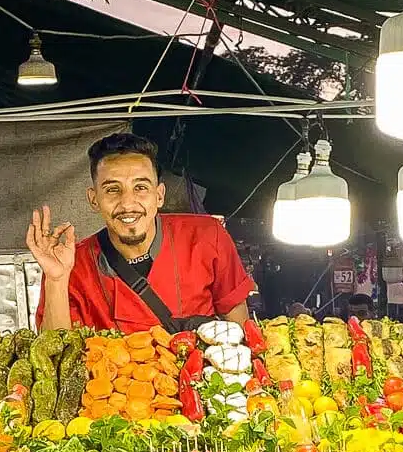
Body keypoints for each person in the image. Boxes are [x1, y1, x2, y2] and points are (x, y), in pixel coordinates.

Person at [28, 133, 254, 333]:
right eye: (112, 190)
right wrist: (57, 280)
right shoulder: (72, 266)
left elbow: (239, 330)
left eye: (140, 187)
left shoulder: (206, 237)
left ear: (159, 195)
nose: (127, 204)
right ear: (94, 199)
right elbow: (56, 355)